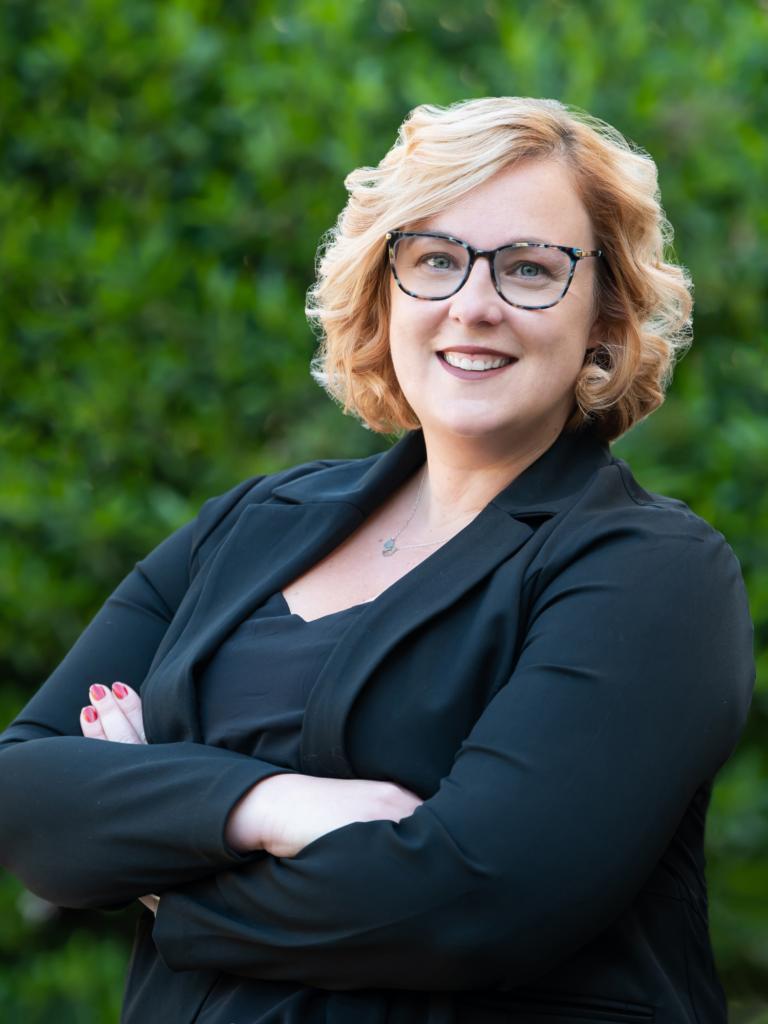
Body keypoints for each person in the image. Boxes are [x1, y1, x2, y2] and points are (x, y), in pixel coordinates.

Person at [0, 97, 754, 1024]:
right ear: (384, 291)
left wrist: (160, 866)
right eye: (435, 260)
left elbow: (472, 906)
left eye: (529, 268)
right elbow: (26, 789)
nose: (473, 307)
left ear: (606, 313)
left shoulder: (653, 573)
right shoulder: (251, 525)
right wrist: (271, 808)